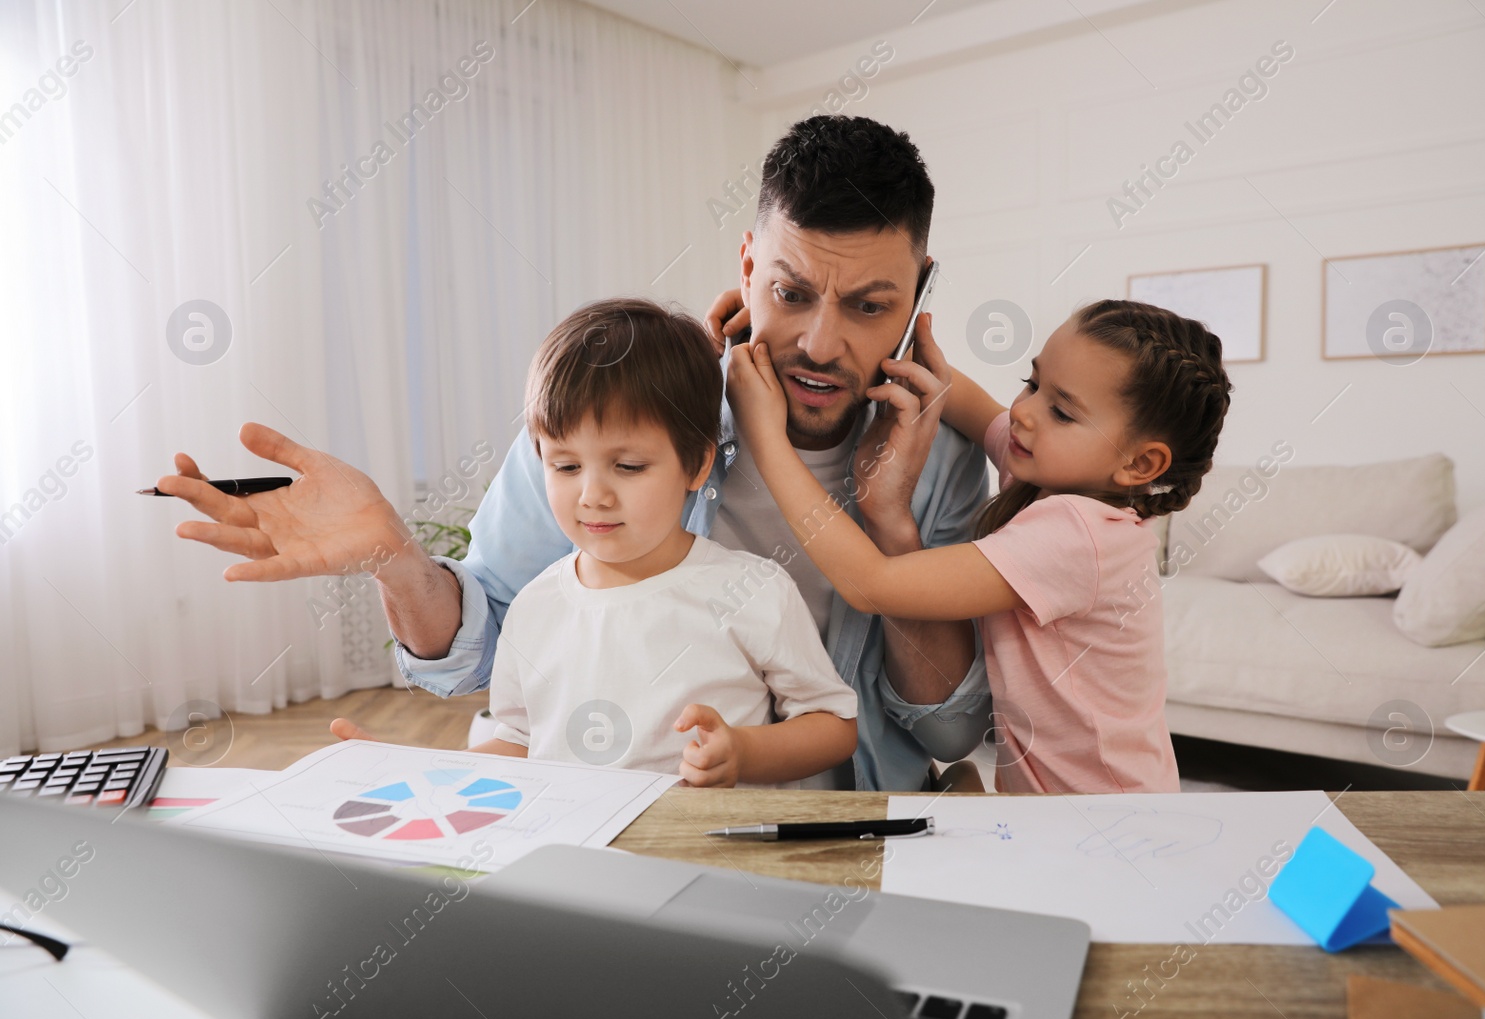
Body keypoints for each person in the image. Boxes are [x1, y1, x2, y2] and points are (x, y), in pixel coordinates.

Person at [156, 115, 991, 791]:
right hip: (606, 811)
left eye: (869, 305)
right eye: (790, 292)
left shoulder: (940, 460)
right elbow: (484, 656)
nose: (819, 341)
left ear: (918, 293)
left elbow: (950, 731)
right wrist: (396, 559)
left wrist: (891, 524)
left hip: (842, 819)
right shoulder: (621, 415)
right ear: (746, 262)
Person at [725, 299, 1233, 794]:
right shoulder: (1045, 474)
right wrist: (778, 324)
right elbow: (956, 396)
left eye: (1061, 411)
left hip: (1109, 821)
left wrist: (765, 434)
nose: (1025, 412)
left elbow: (870, 585)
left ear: (1140, 466)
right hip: (1045, 807)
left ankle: (964, 791)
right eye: (1032, 383)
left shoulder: (1077, 533)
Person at [471, 298, 854, 784]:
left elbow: (833, 725)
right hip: (575, 850)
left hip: (704, 852)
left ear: (695, 465)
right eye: (565, 466)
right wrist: (416, 773)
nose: (593, 496)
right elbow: (521, 741)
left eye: (628, 466)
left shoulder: (753, 589)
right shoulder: (534, 606)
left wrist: (743, 751)